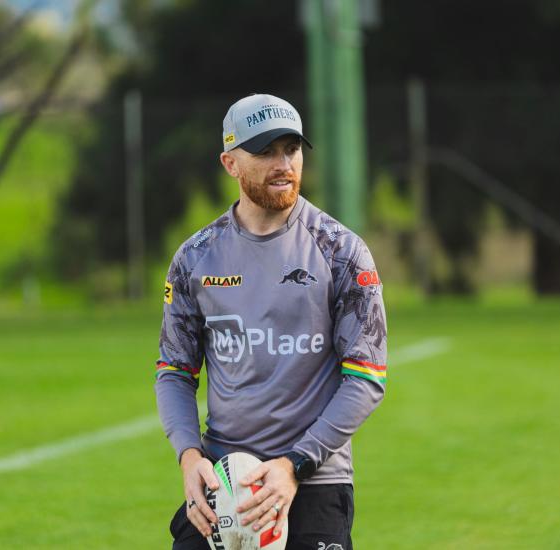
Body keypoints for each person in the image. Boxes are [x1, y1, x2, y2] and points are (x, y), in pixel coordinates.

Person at [155, 93, 387, 550]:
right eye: (265, 152)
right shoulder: (195, 258)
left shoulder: (340, 251)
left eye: (292, 149)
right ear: (230, 162)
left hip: (315, 479)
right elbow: (175, 372)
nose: (284, 164)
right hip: (223, 480)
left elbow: (366, 378)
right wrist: (189, 457)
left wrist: (294, 464)